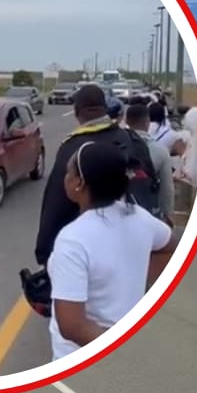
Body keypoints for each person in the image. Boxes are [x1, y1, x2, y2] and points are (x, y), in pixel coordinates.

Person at [46, 141, 180, 361]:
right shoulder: (139, 217)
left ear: (78, 183)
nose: (65, 177)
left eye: (68, 172)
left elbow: (72, 326)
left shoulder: (73, 239)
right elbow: (169, 247)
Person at [34, 84, 161, 266]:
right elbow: (154, 183)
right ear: (105, 109)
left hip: (92, 249)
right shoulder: (131, 139)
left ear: (77, 112)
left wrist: (44, 251)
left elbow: (56, 201)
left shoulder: (73, 147)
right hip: (138, 240)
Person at [125, 103, 175, 226]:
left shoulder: (117, 145)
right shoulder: (160, 150)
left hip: (120, 210)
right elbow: (167, 188)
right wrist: (167, 214)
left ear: (126, 121)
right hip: (148, 211)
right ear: (147, 121)